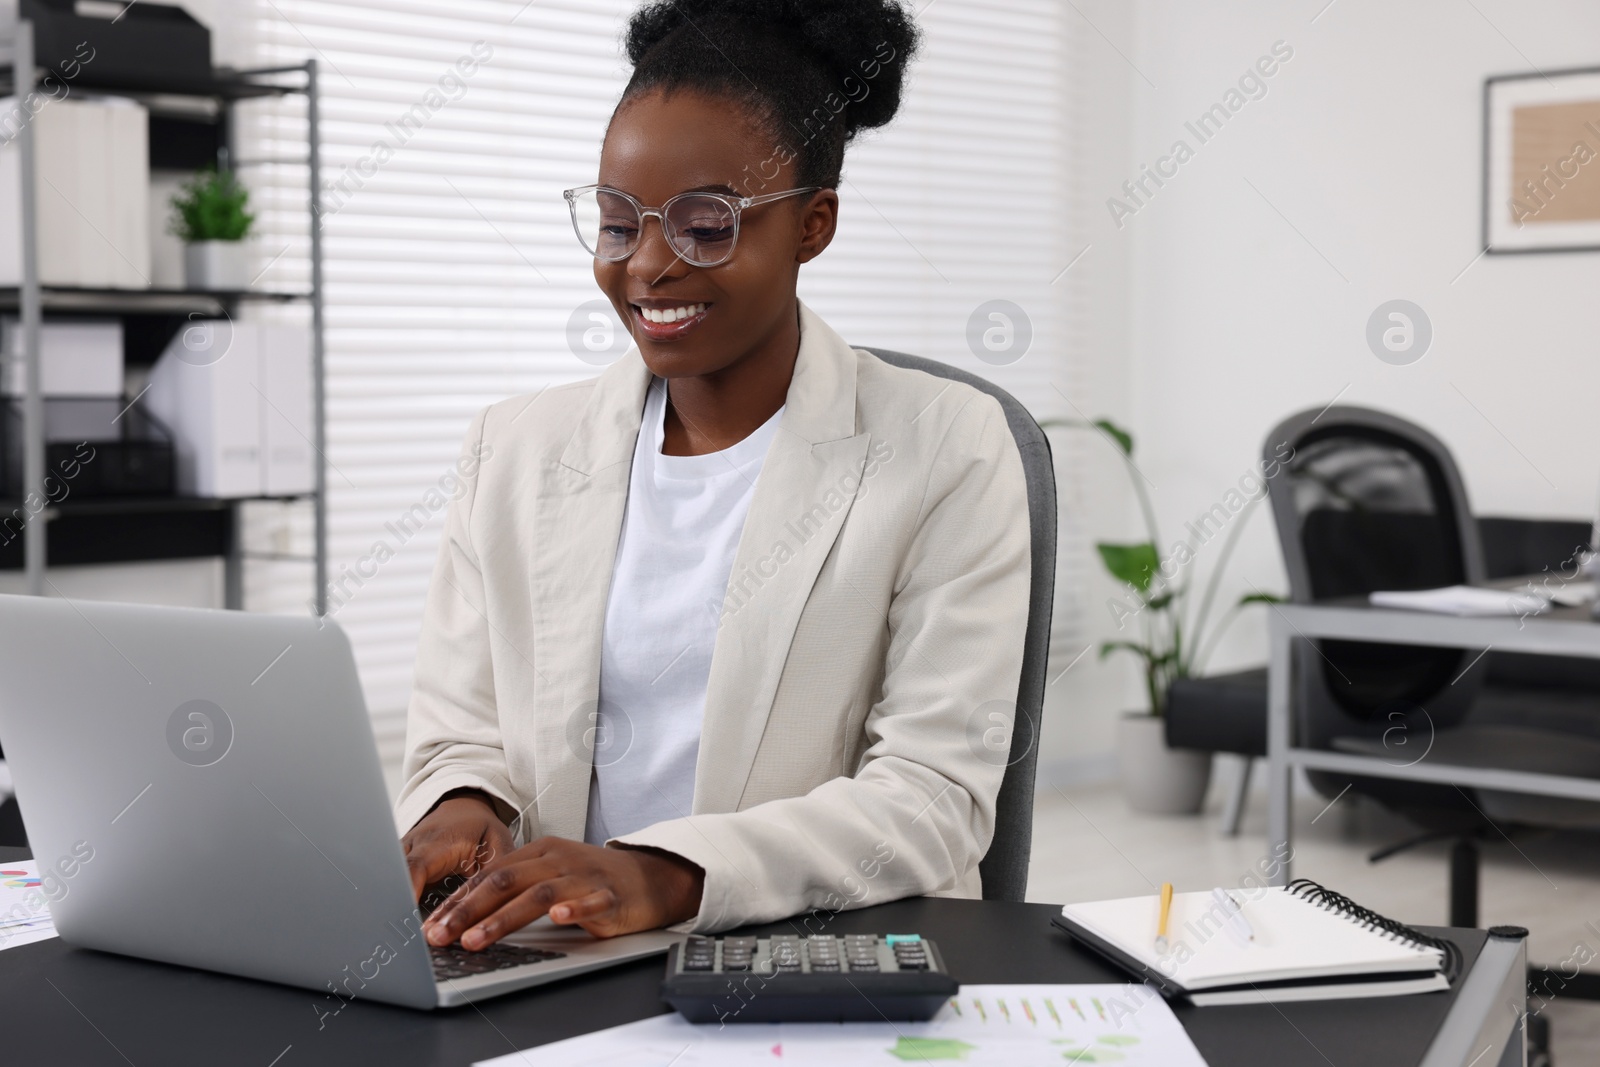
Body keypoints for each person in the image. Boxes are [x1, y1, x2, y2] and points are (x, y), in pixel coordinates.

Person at [397, 0, 1032, 950]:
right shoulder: (514, 448)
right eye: (618, 224)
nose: (648, 265)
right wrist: (459, 801)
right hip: (560, 954)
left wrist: (662, 875)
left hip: (815, 955)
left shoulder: (948, 445)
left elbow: (933, 797)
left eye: (707, 224)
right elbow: (459, 727)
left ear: (813, 226)